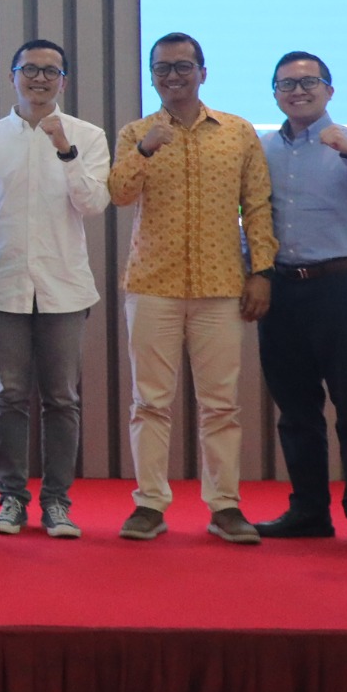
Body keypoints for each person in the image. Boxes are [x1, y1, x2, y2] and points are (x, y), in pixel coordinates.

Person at [107, 32, 275, 545]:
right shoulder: (136, 132)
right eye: (162, 69)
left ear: (203, 72)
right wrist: (144, 151)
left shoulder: (237, 132)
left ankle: (225, 505)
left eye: (183, 66)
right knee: (149, 402)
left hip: (221, 285)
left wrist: (262, 271)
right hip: (152, 284)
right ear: (152, 77)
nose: (173, 76)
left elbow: (258, 205)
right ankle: (149, 504)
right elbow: (118, 194)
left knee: (221, 404)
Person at [254, 51, 347, 553]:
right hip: (281, 289)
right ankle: (309, 511)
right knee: (296, 409)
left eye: (308, 82)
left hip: (342, 286)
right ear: (275, 94)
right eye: (286, 84)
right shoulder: (262, 148)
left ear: (329, 90)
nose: (298, 91)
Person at [0, 39, 111, 541]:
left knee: (61, 398)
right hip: (2, 282)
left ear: (64, 82)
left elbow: (93, 204)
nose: (39, 78)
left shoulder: (87, 136)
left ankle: (57, 502)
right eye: (29, 69)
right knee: (8, 395)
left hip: (63, 287)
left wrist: (65, 151)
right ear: (12, 76)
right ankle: (11, 498)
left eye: (50, 71)